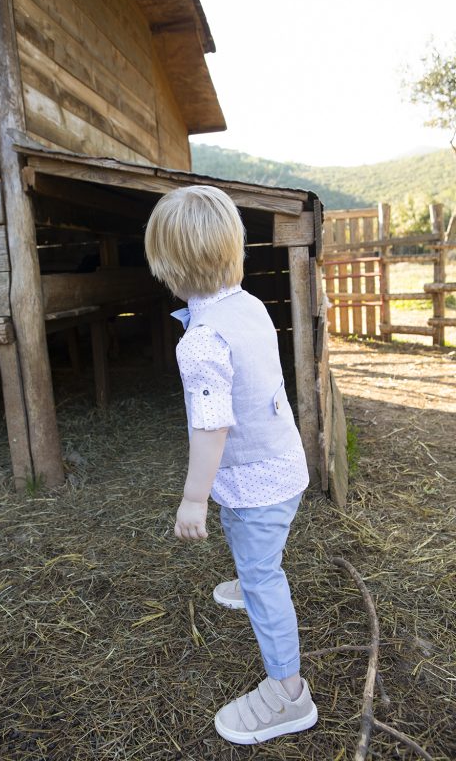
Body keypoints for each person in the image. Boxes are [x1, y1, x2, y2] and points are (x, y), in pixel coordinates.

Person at [144, 185, 317, 745]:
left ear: (167, 264)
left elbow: (211, 425)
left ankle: (288, 694)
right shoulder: (249, 305)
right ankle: (251, 574)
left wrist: (194, 496)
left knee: (265, 572)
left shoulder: (201, 340)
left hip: (254, 480)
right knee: (256, 546)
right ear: (233, 247)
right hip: (284, 462)